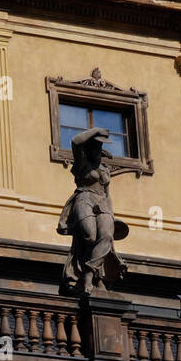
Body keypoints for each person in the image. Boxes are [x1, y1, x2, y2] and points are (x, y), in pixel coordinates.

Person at [57, 127, 129, 296]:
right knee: (89, 235)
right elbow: (75, 141)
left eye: (100, 147)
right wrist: (96, 131)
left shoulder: (105, 169)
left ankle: (90, 276)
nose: (98, 150)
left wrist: (111, 215)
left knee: (106, 237)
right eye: (95, 146)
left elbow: (107, 194)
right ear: (89, 148)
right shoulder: (83, 163)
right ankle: (82, 275)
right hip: (85, 198)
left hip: (102, 202)